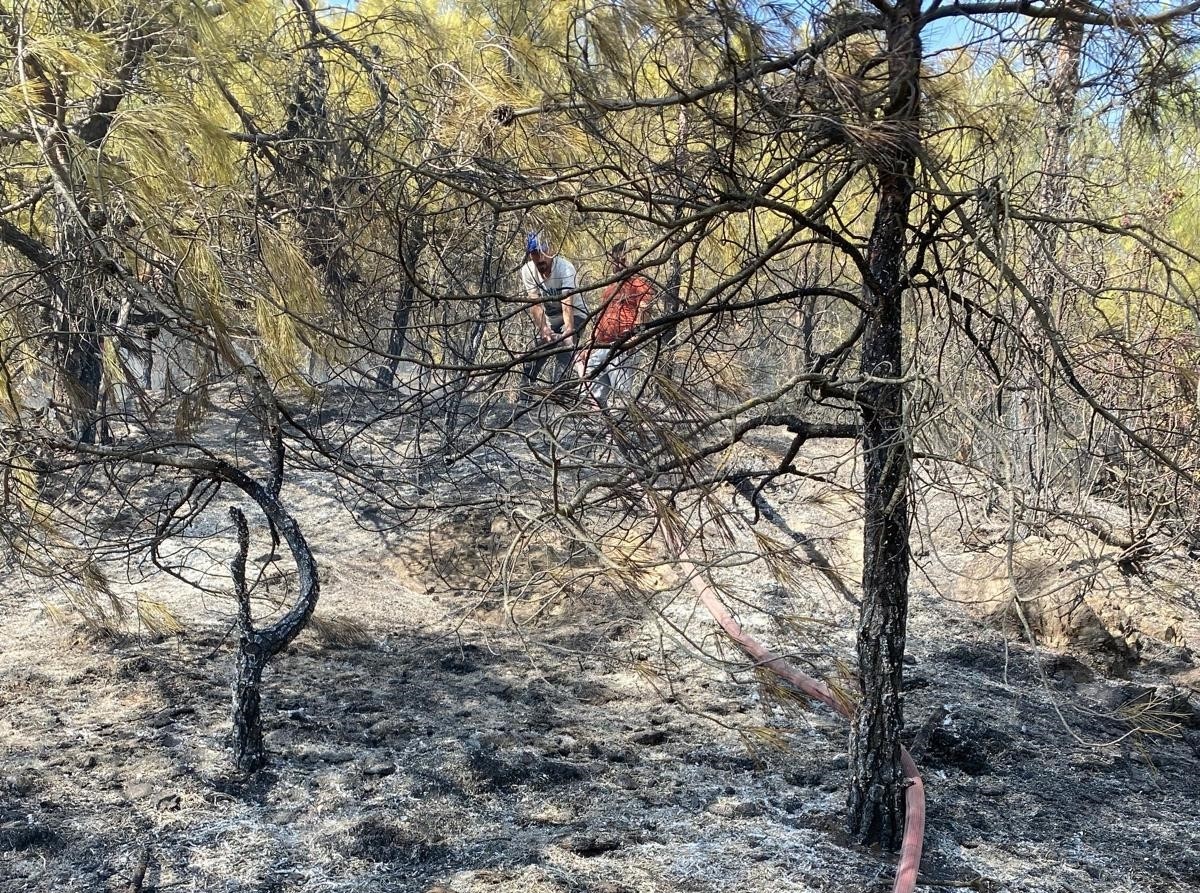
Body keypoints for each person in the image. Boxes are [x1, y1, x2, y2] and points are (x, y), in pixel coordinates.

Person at [585, 240, 654, 404]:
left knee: (621, 396)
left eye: (621, 260)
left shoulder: (638, 283)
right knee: (593, 395)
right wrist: (590, 343)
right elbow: (601, 315)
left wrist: (635, 338)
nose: (617, 265)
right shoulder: (610, 287)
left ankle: (623, 427)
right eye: (614, 261)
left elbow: (645, 308)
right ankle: (597, 427)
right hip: (601, 345)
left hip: (622, 345)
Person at [518, 232, 588, 393]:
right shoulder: (528, 271)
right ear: (530, 255)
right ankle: (525, 393)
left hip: (575, 314)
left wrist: (569, 331)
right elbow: (535, 302)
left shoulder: (565, 268)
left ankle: (560, 391)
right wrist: (543, 329)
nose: (540, 258)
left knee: (564, 348)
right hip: (551, 318)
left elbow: (567, 301)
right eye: (535, 254)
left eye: (544, 252)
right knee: (538, 351)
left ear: (552, 250)